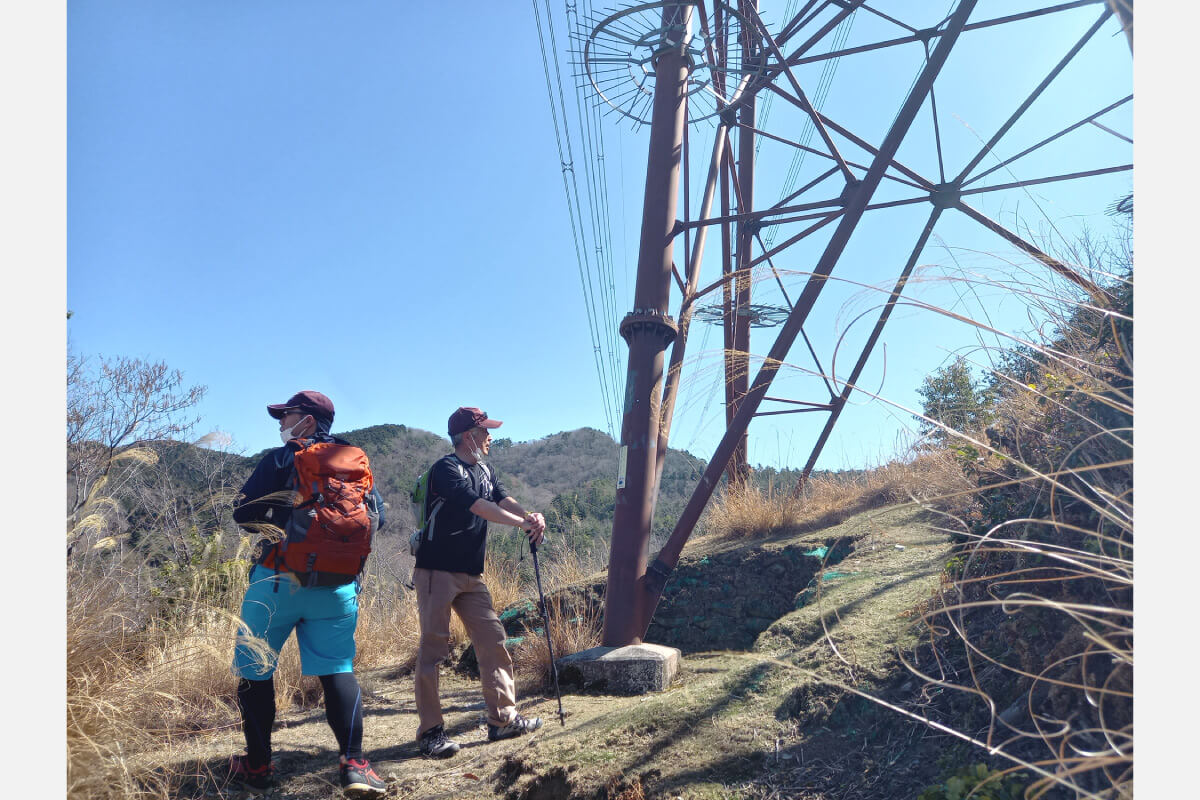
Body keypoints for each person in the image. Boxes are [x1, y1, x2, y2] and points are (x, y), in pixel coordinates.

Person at [227, 390, 388, 797]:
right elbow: (377, 517)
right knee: (337, 668)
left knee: (254, 668)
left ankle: (259, 763)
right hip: (336, 585)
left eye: (288, 416)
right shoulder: (354, 461)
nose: (281, 424)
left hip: (277, 580)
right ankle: (354, 765)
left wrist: (279, 529)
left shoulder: (279, 459)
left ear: (309, 421)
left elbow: (242, 513)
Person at [413, 407, 548, 758]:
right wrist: (520, 526)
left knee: (493, 640)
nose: (491, 437)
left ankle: (503, 720)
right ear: (469, 436)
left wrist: (530, 516)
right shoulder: (446, 469)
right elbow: (479, 507)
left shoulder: (485, 469)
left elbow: (501, 499)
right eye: (485, 431)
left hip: (471, 576)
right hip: (436, 573)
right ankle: (430, 733)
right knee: (433, 651)